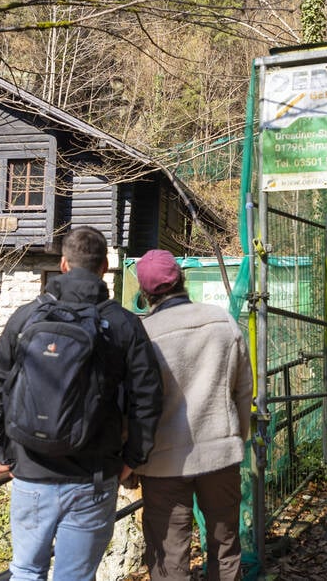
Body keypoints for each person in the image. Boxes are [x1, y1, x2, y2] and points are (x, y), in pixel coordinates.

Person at [0, 226, 163, 581]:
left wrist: (4, 451)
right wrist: (133, 459)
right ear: (104, 267)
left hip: (31, 471)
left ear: (63, 264)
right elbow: (148, 398)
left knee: (25, 571)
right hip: (93, 476)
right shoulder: (123, 324)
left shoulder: (26, 317)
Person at [134, 249, 253, 581]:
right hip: (220, 454)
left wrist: (132, 460)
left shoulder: (143, 334)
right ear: (182, 279)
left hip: (162, 463)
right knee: (225, 548)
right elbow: (244, 390)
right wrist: (236, 438)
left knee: (169, 556)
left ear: (144, 292)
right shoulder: (221, 321)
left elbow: (134, 402)